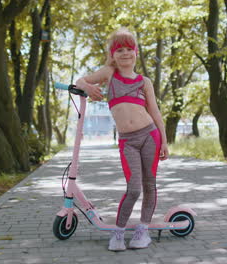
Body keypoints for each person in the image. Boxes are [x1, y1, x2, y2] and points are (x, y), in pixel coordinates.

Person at [75, 28, 169, 251]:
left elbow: (155, 112)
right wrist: (88, 87)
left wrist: (164, 140)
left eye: (129, 49)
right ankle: (117, 233)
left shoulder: (144, 82)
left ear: (136, 52)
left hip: (150, 136)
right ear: (113, 54)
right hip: (128, 141)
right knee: (134, 188)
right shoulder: (110, 73)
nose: (125, 53)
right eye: (120, 50)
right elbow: (80, 80)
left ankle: (143, 231)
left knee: (149, 185)